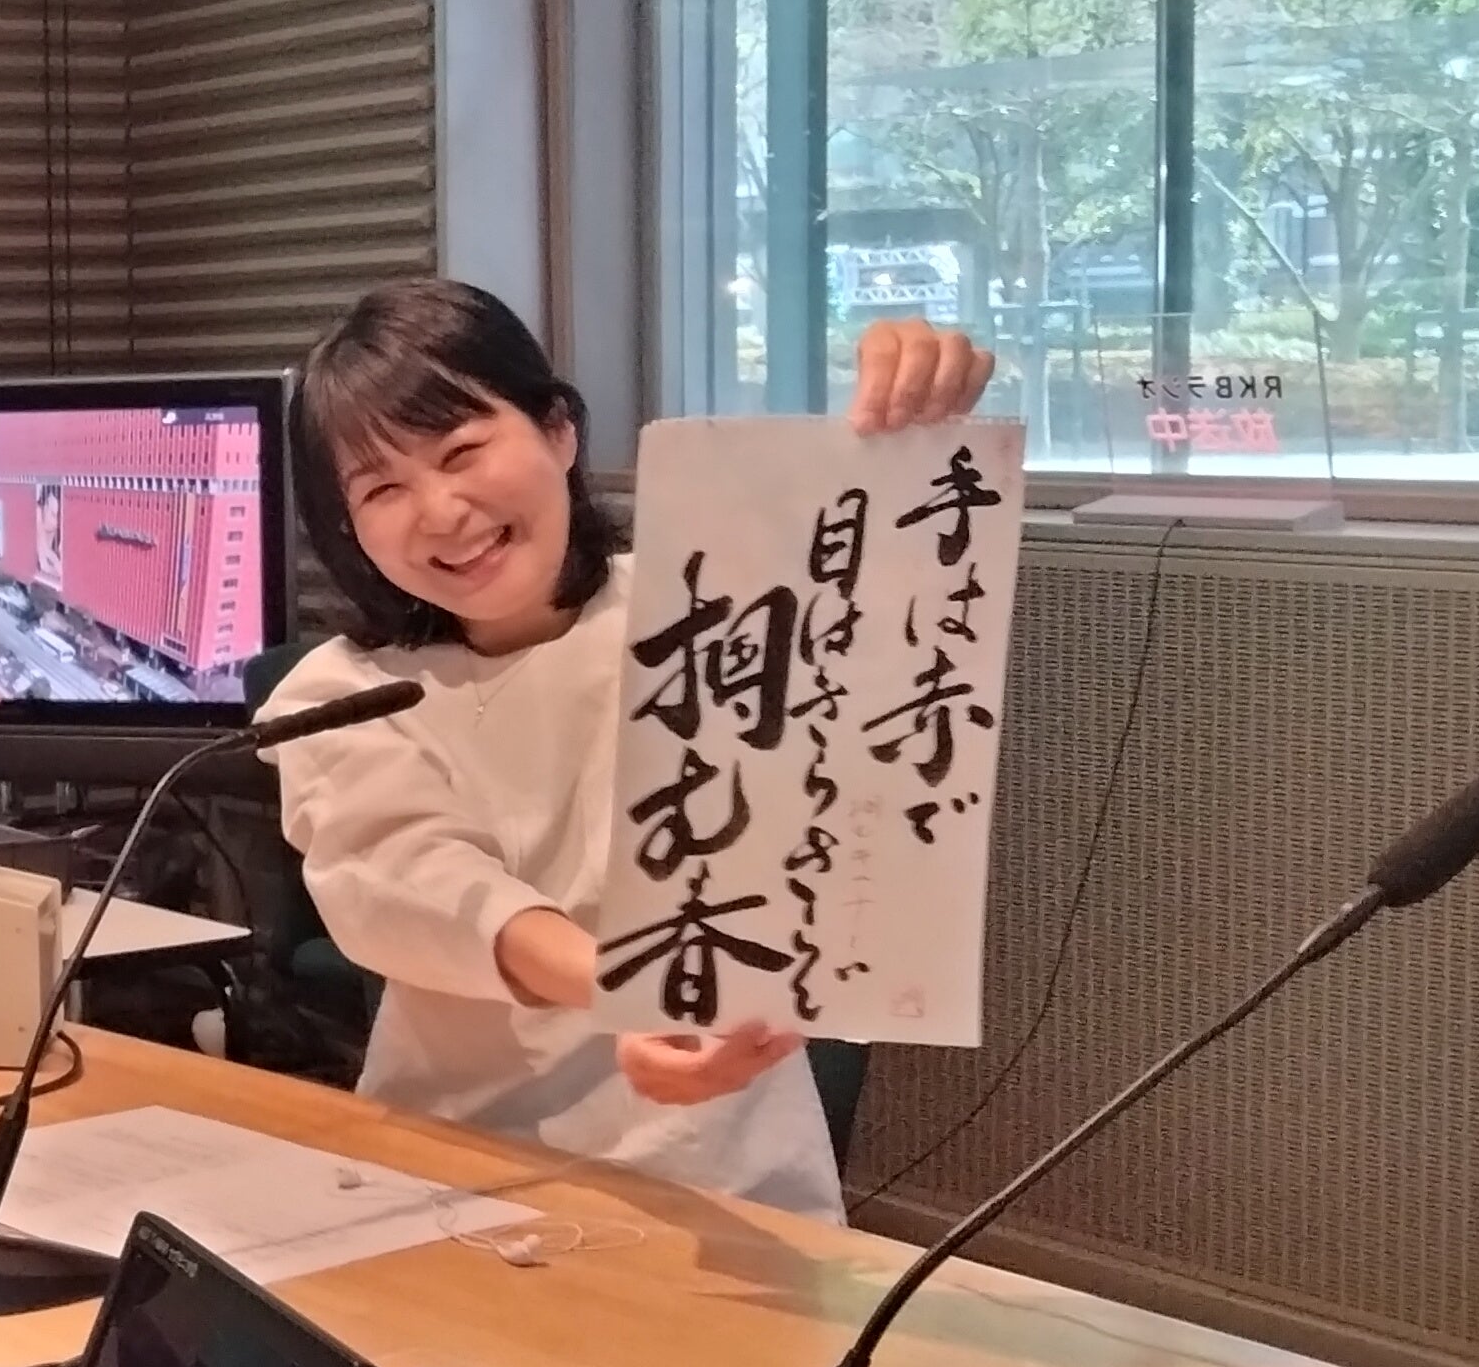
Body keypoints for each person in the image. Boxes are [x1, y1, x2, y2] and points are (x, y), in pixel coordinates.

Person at [261, 282, 994, 1218]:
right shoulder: (340, 695)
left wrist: (918, 428)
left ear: (558, 430)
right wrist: (632, 987)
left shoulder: (722, 615)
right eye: (382, 489)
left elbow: (892, 665)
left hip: (725, 1184)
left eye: (462, 451)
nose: (440, 511)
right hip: (448, 1174)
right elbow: (417, 890)